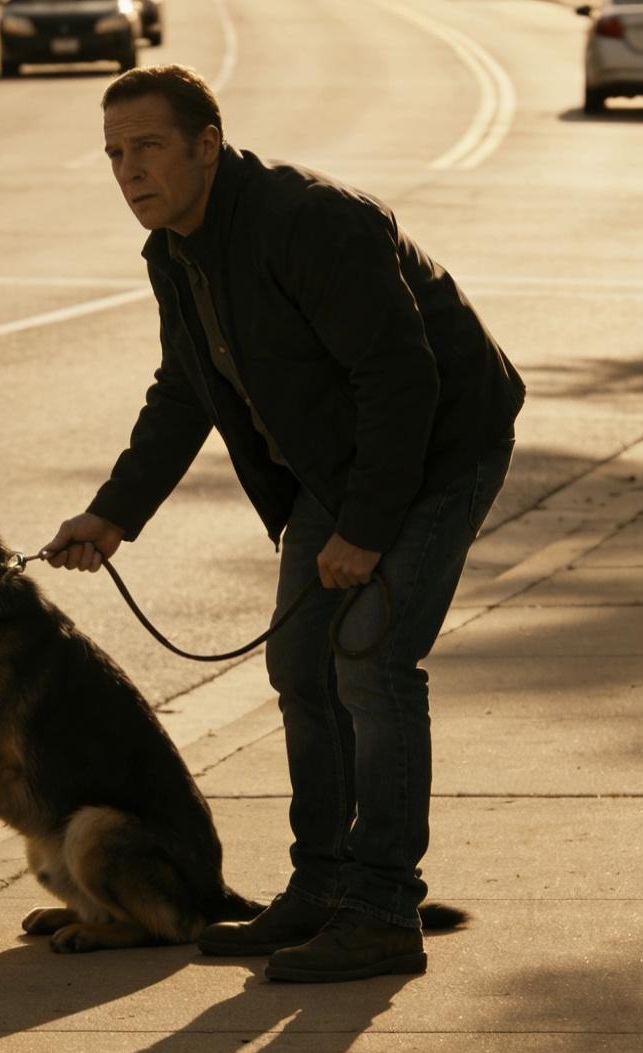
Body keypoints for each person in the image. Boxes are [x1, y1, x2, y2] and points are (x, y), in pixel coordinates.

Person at [42, 65, 526, 983]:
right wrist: (113, 515)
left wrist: (366, 529)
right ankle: (322, 886)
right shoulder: (174, 252)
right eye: (113, 153)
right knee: (301, 666)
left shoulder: (311, 222)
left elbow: (402, 380)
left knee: (371, 666)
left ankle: (383, 911)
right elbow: (185, 389)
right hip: (337, 465)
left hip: (440, 447)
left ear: (207, 145)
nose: (129, 170)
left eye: (148, 146)